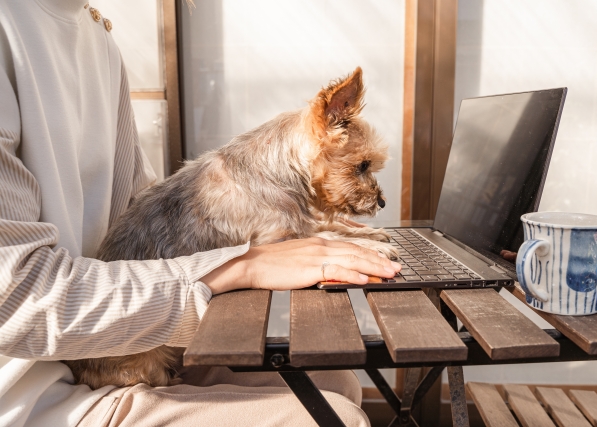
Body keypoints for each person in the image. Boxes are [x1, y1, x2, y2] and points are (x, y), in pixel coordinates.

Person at [0, 1, 400, 426]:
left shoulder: (97, 35)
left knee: (335, 382)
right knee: (332, 418)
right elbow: (14, 299)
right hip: (31, 388)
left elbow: (135, 206)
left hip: (121, 338)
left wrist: (288, 226)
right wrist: (241, 265)